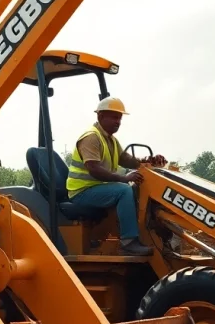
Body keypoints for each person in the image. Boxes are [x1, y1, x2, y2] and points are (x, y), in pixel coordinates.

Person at [66, 97, 167, 256]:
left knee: (136, 189)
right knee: (123, 190)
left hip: (97, 189)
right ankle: (128, 242)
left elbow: (126, 160)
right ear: (100, 116)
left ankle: (151, 233)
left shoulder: (111, 140)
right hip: (81, 192)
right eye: (114, 117)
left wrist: (149, 161)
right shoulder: (91, 137)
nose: (118, 122)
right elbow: (93, 169)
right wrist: (123, 178)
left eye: (119, 118)